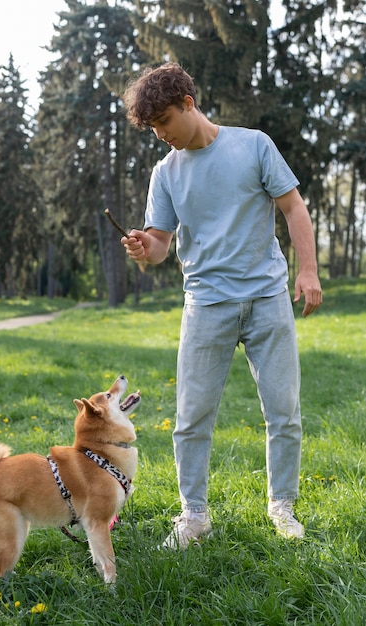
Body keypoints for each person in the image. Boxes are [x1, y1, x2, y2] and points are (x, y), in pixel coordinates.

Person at [122, 62, 322, 549]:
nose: (161, 135)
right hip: (206, 305)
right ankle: (194, 515)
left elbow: (294, 207)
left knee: (284, 412)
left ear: (188, 104)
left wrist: (308, 270)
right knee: (191, 419)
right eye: (152, 129)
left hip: (267, 298)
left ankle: (283, 506)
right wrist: (146, 250)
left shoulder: (253, 145)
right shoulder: (165, 173)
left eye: (164, 122)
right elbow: (162, 243)